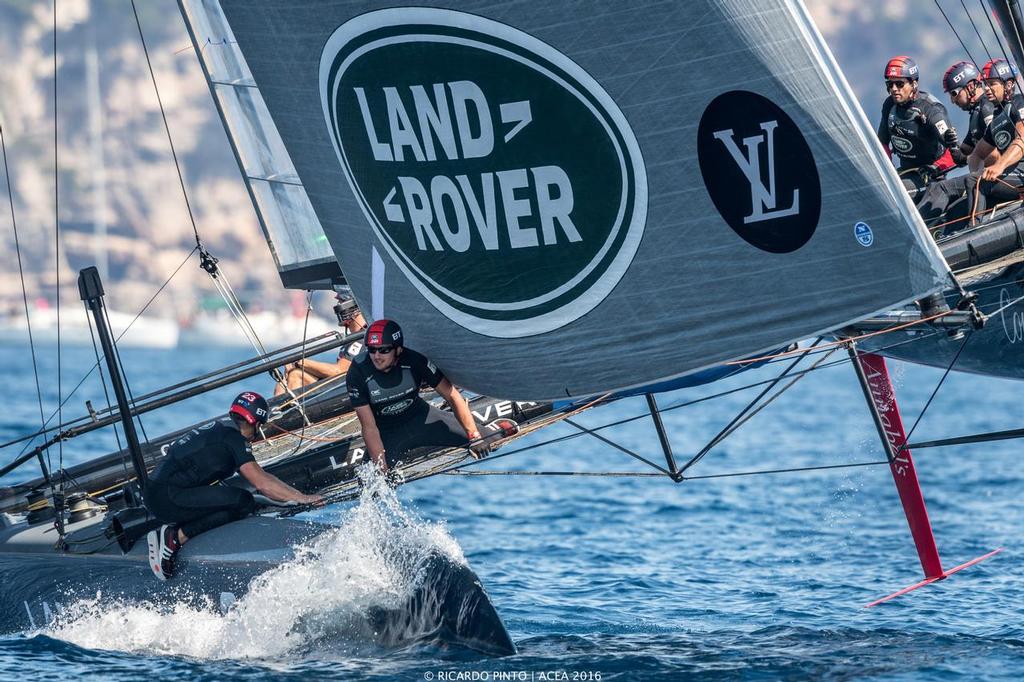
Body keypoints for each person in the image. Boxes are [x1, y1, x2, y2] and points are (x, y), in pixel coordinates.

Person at [145, 391, 322, 580]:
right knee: (242, 501)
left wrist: (293, 496)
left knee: (238, 498)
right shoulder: (234, 439)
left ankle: (179, 529)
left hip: (159, 493)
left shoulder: (221, 429)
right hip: (167, 498)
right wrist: (302, 498)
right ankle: (174, 537)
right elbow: (261, 482)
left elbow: (261, 478)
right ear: (255, 423)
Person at [345, 319, 487, 474]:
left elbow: (452, 396)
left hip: (423, 418)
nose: (376, 356)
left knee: (491, 439)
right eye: (372, 350)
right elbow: (369, 427)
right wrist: (382, 471)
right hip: (387, 431)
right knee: (373, 484)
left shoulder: (414, 360)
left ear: (398, 349)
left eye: (384, 350)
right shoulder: (358, 371)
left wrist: (474, 437)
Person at [918, 58, 1024, 232]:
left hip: (1020, 174)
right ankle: (926, 233)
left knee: (974, 181)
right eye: (985, 84)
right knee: (965, 188)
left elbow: (1022, 139)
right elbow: (975, 154)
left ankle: (973, 231)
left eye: (992, 84)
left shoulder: (1019, 102)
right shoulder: (997, 117)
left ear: (1009, 84)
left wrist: (998, 166)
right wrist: (952, 147)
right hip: (1007, 176)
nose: (986, 88)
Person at [877, 55, 966, 200]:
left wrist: (934, 168)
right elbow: (882, 143)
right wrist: (886, 170)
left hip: (930, 178)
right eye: (889, 84)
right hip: (905, 172)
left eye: (899, 84)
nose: (894, 89)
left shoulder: (931, 110)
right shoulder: (889, 105)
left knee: (892, 195)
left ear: (914, 84)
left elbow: (955, 151)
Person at [273, 293, 367, 397]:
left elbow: (339, 371)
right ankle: (277, 410)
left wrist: (300, 362)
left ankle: (286, 410)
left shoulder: (361, 338)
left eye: (340, 302)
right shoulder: (353, 338)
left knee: (296, 373)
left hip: (349, 392)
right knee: (291, 376)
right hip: (339, 387)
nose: (337, 306)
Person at [942, 60, 995, 171]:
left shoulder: (987, 107)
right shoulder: (976, 112)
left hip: (1001, 175)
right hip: (988, 176)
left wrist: (966, 159)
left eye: (954, 93)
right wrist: (952, 144)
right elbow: (964, 151)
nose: (952, 100)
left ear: (970, 87)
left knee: (940, 188)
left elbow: (995, 155)